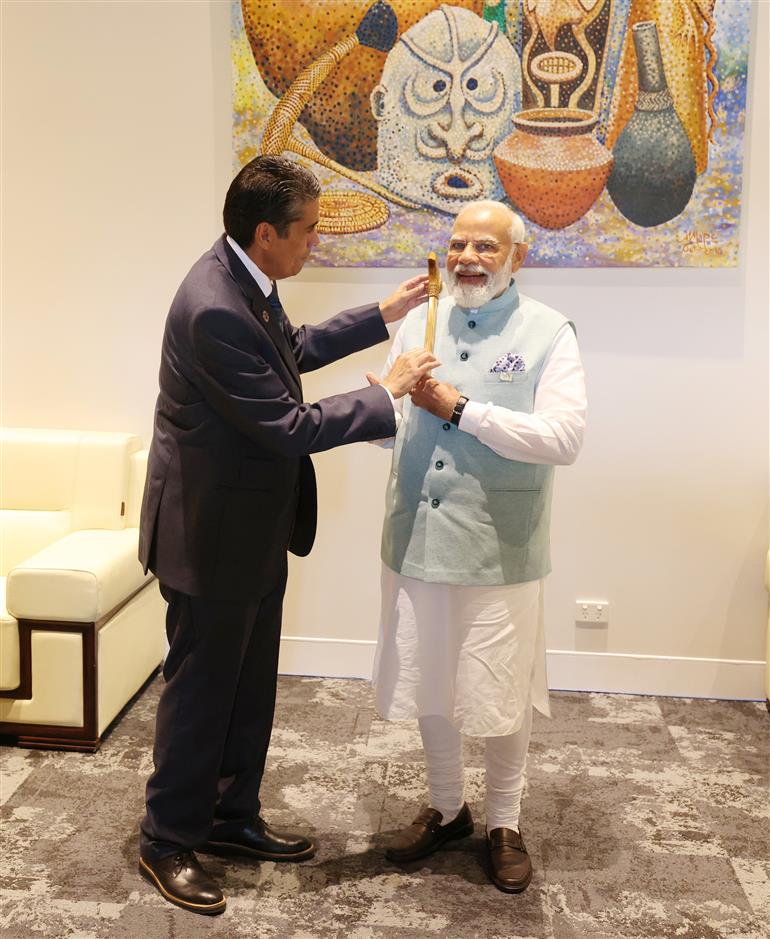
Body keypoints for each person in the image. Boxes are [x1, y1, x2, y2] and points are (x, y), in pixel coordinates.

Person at [137, 155, 439, 916]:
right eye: (307, 232)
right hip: (209, 533)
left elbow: (291, 349)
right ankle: (168, 837)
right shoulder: (212, 305)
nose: (316, 244)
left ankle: (230, 817)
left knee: (247, 687)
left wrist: (382, 314)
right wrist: (384, 392)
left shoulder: (247, 280)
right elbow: (287, 424)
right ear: (265, 233)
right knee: (203, 691)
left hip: (251, 524)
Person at [369, 200, 586, 893]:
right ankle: (445, 805)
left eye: (486, 247)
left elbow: (563, 438)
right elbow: (386, 422)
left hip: (499, 544)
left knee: (498, 689)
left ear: (517, 257)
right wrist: (380, 402)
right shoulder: (417, 319)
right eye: (459, 243)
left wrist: (462, 409)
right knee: (428, 677)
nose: (467, 258)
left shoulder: (549, 331)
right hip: (416, 536)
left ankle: (504, 819)